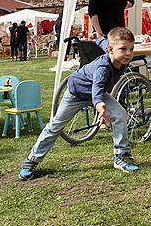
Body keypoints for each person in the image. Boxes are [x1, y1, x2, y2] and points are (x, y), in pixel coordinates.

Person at [17, 27, 141, 180]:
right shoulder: (103, 68)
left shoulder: (118, 56)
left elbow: (102, 42)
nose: (128, 53)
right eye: (123, 49)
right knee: (55, 126)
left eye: (131, 49)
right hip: (76, 94)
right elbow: (97, 88)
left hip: (98, 94)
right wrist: (100, 106)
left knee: (120, 113)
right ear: (111, 49)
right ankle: (31, 161)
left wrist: (97, 37)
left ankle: (121, 156)